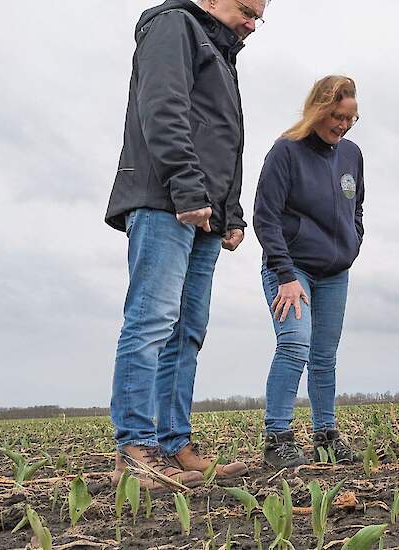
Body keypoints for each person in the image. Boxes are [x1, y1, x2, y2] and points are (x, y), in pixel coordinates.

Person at [104, 0, 266, 490]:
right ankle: (135, 450)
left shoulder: (220, 51)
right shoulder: (172, 25)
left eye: (260, 15)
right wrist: (188, 189)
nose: (252, 23)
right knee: (152, 322)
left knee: (187, 331)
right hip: (165, 201)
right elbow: (164, 107)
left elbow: (225, 139)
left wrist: (231, 211)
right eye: (246, 9)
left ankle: (175, 446)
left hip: (205, 213)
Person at [253, 75, 364, 468]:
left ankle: (326, 436)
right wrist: (284, 274)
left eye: (350, 118)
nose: (343, 125)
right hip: (291, 268)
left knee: (324, 355)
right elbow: (265, 218)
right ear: (318, 109)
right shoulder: (286, 151)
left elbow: (357, 208)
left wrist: (353, 242)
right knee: (295, 343)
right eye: (337, 116)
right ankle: (278, 436)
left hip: (335, 273)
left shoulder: (351, 155)